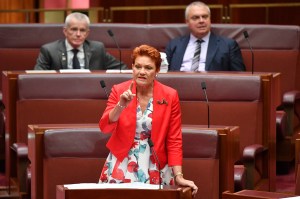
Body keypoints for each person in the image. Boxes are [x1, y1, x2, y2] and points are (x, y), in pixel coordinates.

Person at [98, 44, 198, 197]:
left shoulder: (170, 95)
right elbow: (105, 127)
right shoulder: (119, 90)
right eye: (137, 67)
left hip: (155, 162)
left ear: (157, 71)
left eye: (148, 68)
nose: (142, 72)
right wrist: (121, 105)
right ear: (132, 67)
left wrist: (178, 175)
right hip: (123, 161)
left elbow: (174, 139)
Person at [165, 1, 245, 72]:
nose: (201, 21)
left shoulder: (228, 45)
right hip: (179, 86)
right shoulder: (174, 44)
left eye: (205, 16)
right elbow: (162, 73)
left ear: (210, 19)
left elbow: (240, 76)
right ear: (187, 22)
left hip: (213, 87)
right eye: (195, 18)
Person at [34, 12, 126, 70]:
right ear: (65, 31)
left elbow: (123, 69)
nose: (78, 34)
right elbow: (36, 76)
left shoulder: (98, 49)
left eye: (82, 30)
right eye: (74, 29)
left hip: (90, 92)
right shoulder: (49, 50)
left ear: (87, 33)